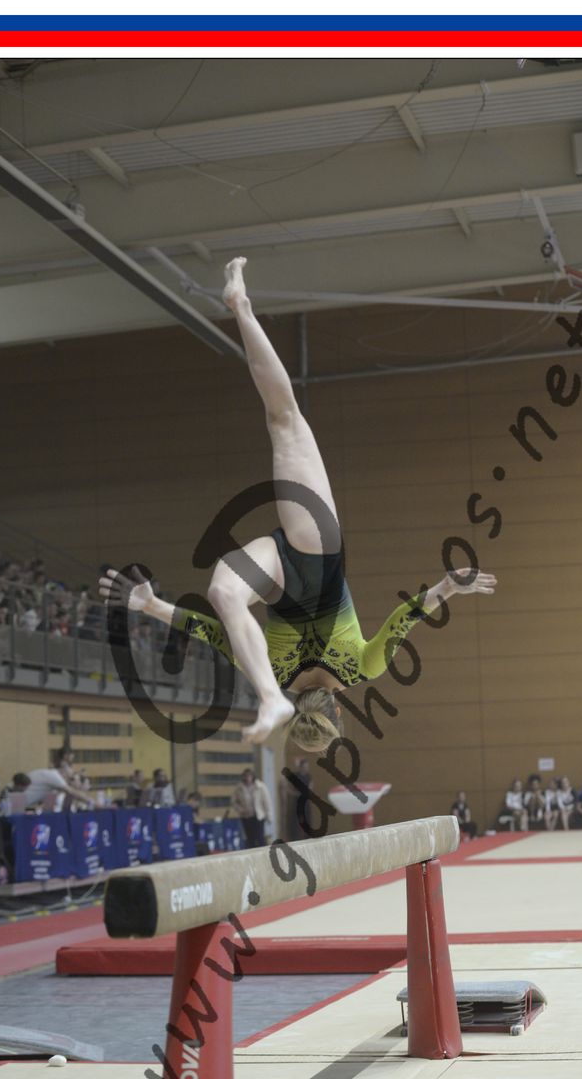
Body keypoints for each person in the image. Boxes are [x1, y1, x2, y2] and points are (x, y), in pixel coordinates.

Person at [99, 257, 497, 751]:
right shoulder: (274, 666)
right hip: (286, 578)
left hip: (314, 555)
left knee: (284, 420)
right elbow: (211, 632)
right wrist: (151, 605)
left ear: (338, 712)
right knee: (222, 595)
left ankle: (242, 305)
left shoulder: (361, 669)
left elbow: (407, 617)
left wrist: (448, 587)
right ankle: (268, 699)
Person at [22, 752, 93, 813]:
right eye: (72, 778)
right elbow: (71, 792)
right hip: (22, 807)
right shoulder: (54, 777)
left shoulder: (55, 785)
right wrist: (92, 803)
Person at [232, 768, 273, 848]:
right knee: (250, 839)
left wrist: (269, 816)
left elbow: (267, 802)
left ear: (253, 776)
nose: (248, 778)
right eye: (246, 776)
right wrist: (241, 810)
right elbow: (234, 802)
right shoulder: (239, 788)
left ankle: (263, 853)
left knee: (260, 838)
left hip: (258, 816)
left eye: (249, 776)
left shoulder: (260, 787)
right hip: (246, 817)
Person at [280, 757, 312, 842]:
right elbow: (285, 784)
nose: (306, 768)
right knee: (296, 821)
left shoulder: (308, 776)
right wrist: (294, 793)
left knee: (307, 820)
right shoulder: (296, 776)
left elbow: (310, 788)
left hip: (306, 802)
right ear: (301, 767)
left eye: (307, 767)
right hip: (297, 801)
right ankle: (295, 838)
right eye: (304, 767)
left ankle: (307, 838)